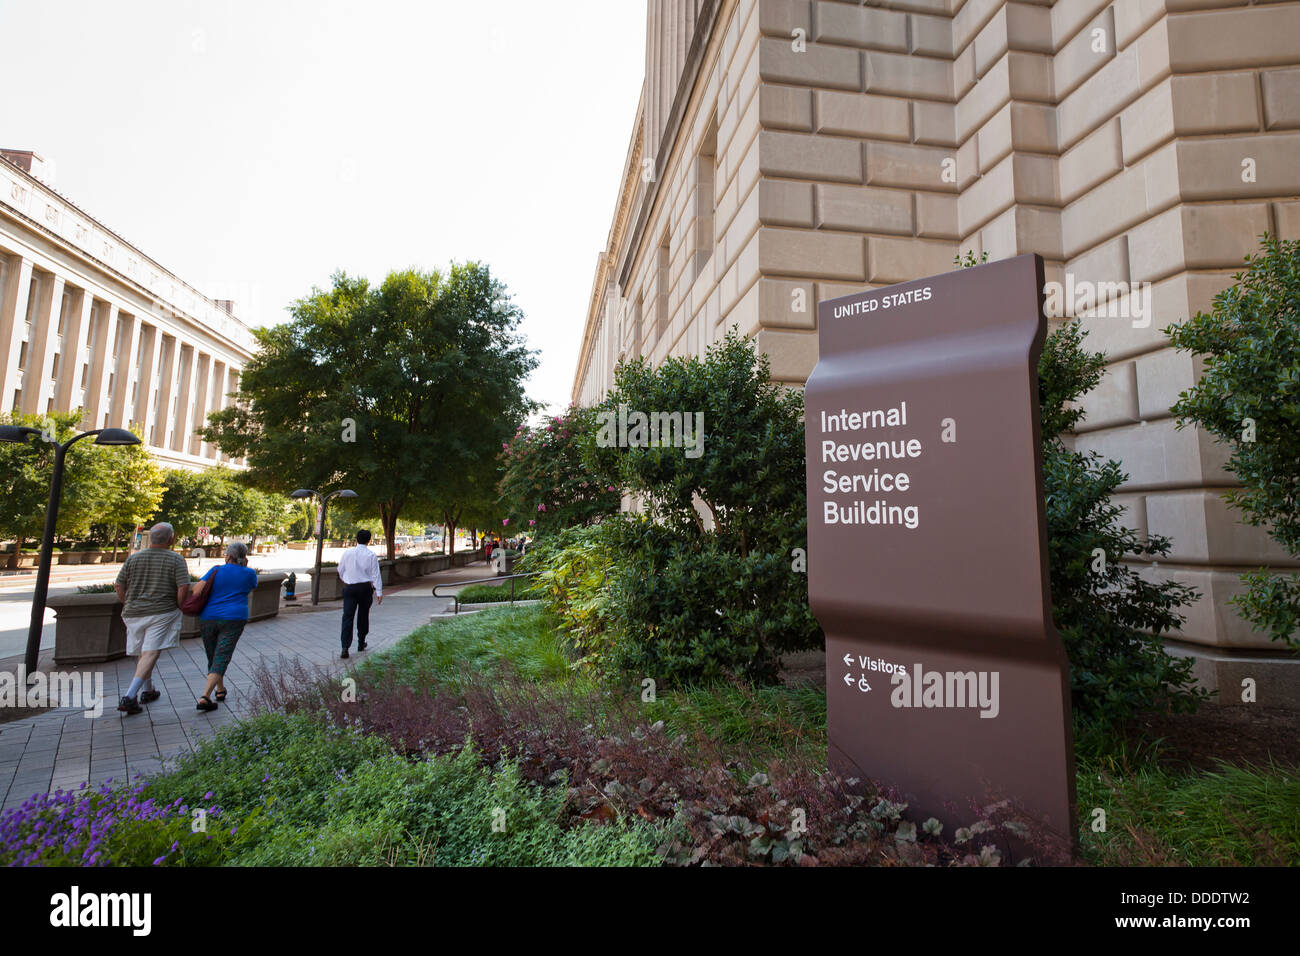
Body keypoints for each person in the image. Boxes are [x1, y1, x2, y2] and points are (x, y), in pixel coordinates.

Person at [114, 523, 190, 716]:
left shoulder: (134, 559)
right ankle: (130, 696)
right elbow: (183, 588)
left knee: (144, 652)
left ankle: (148, 690)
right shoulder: (176, 559)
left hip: (133, 613)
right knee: (151, 653)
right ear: (170, 539)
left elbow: (118, 584)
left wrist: (126, 603)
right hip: (161, 612)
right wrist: (179, 605)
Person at [191, 542, 258, 712]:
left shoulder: (216, 570)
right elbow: (251, 587)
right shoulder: (249, 573)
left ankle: (216, 691)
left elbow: (197, 590)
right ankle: (207, 695)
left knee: (213, 655)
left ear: (228, 556)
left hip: (209, 617)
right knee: (221, 656)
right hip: (234, 618)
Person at [337, 529, 382, 659]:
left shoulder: (347, 553)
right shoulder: (371, 555)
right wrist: (379, 592)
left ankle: (345, 647)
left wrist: (346, 579)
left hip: (350, 588)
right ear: (369, 540)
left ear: (356, 539)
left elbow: (340, 570)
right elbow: (375, 575)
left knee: (347, 617)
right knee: (363, 615)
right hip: (365, 588)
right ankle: (361, 642)